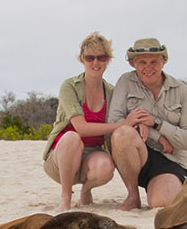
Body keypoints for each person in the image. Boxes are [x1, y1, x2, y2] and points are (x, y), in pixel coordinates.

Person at [43, 32, 149, 211]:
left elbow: (130, 113)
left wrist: (142, 121)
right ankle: (66, 197)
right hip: (61, 156)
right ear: (82, 59)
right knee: (72, 137)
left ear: (108, 60)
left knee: (105, 167)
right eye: (90, 57)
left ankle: (86, 190)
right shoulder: (69, 87)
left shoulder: (112, 92)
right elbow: (81, 128)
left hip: (92, 154)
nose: (95, 62)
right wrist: (123, 124)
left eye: (101, 57)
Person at [108, 37, 187, 210]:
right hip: (136, 154)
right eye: (142, 62)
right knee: (122, 133)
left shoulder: (182, 91)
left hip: (170, 160)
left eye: (154, 61)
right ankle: (133, 196)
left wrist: (156, 123)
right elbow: (114, 122)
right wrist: (153, 134)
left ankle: (170, 186)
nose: (148, 67)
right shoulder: (125, 82)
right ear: (133, 63)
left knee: (163, 205)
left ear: (163, 61)